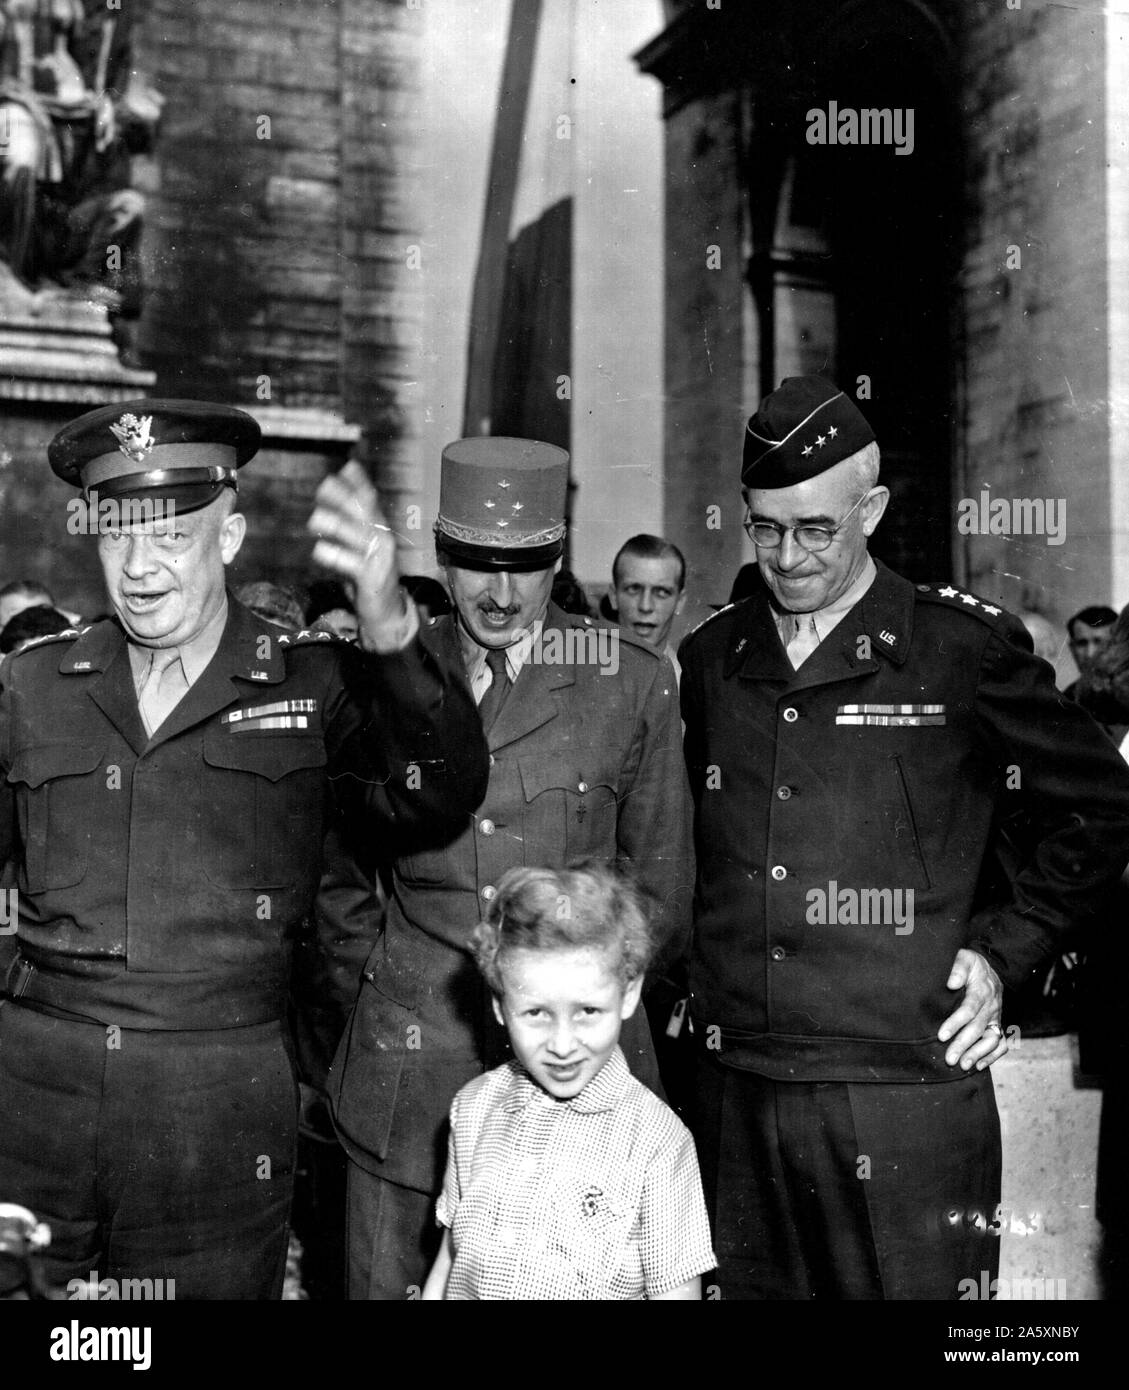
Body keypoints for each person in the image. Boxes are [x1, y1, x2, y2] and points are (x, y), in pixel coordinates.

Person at [0, 399, 489, 1300]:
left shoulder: (310, 681)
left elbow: (441, 791)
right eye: (117, 538)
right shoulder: (36, 682)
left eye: (171, 538)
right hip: (36, 1089)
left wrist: (386, 625)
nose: (140, 569)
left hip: (216, 1097)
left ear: (228, 537)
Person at [678, 374, 1129, 1300]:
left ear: (872, 509)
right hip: (735, 1092)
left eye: (816, 528)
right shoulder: (712, 659)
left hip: (903, 1095)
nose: (788, 556)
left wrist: (1009, 950)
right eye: (764, 527)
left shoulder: (958, 651)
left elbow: (1104, 805)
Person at [330, 435, 694, 1300]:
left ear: (557, 557)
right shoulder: (387, 675)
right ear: (441, 558)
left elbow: (661, 888)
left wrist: (577, 1016)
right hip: (408, 1077)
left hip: (580, 1080)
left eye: (525, 566)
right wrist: (385, 994)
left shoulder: (628, 680)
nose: (500, 593)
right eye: (475, 564)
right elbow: (341, 883)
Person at [421, 862, 715, 1301]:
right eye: (536, 1013)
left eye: (587, 1012)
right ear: (501, 1006)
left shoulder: (659, 1143)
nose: (562, 1045)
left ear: (628, 993)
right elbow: (450, 1258)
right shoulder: (474, 1108)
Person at [609, 535, 687, 678]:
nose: (645, 606)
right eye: (634, 589)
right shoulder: (587, 681)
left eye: (661, 592)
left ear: (680, 601)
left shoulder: (690, 686)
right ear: (613, 596)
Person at [1065, 604, 1117, 699]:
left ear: (1116, 645)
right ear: (1072, 648)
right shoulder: (1065, 700)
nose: (1090, 653)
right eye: (1082, 643)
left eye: (1099, 642)